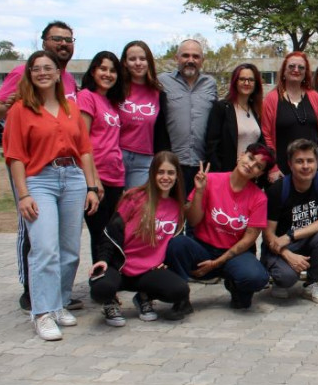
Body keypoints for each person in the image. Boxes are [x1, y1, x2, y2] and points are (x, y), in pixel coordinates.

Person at [3, 50, 100, 341]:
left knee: (69, 249)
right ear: (29, 74)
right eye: (37, 69)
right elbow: (15, 156)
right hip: (40, 179)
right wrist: (23, 195)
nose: (43, 73)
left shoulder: (69, 107)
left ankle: (58, 303)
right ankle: (42, 313)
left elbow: (84, 149)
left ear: (58, 74)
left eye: (49, 68)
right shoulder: (20, 109)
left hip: (72, 178)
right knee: (45, 248)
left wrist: (92, 186)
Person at [0, 21, 80, 313]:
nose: (63, 44)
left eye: (68, 40)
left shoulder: (67, 81)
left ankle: (57, 301)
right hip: (32, 167)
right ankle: (33, 295)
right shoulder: (24, 72)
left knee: (66, 246)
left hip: (67, 169)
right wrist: (19, 105)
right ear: (44, 42)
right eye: (57, 39)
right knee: (35, 235)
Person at [165, 144, 275, 310]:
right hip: (203, 250)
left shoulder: (259, 198)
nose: (251, 165)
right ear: (241, 156)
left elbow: (249, 239)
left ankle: (235, 285)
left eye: (258, 166)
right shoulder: (211, 180)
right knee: (177, 244)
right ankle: (181, 298)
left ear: (259, 173)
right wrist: (200, 191)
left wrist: (217, 263)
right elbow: (193, 221)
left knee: (256, 279)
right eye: (250, 158)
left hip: (234, 254)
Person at [89, 152, 191, 326]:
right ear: (152, 174)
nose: (165, 177)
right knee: (100, 289)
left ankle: (144, 296)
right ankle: (110, 302)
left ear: (177, 176)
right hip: (121, 267)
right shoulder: (134, 197)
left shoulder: (177, 207)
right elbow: (111, 232)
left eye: (170, 173)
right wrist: (103, 260)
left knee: (180, 290)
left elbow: (175, 243)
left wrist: (167, 263)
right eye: (160, 172)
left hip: (148, 271)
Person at [262, 139, 318, 305]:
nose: (306, 166)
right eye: (299, 161)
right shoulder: (277, 190)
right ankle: (278, 279)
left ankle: (311, 283)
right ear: (290, 165)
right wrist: (287, 254)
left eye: (310, 161)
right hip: (280, 247)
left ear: (317, 163)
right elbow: (267, 234)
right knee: (287, 278)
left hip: (301, 240)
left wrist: (290, 235)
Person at [77, 50, 126, 261]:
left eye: (113, 70)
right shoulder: (86, 97)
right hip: (98, 178)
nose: (108, 74)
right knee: (99, 235)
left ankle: (110, 280)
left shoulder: (112, 104)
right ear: (93, 71)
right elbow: (82, 140)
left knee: (112, 233)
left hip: (116, 177)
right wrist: (93, 180)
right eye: (103, 69)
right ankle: (100, 283)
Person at [262, 51, 318, 180]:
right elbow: (266, 136)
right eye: (291, 66)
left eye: (301, 68)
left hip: (312, 169)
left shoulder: (315, 97)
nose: (296, 70)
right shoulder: (271, 99)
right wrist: (273, 167)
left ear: (306, 73)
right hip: (282, 171)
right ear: (283, 71)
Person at [158, 39, 217, 193]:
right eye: (185, 55)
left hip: (202, 165)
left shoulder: (210, 83)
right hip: (171, 165)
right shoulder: (162, 82)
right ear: (176, 58)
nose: (190, 60)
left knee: (197, 213)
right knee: (170, 211)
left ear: (202, 61)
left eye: (196, 56)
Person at [118, 40, 165, 188]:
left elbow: (162, 130)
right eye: (132, 59)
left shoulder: (158, 93)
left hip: (144, 160)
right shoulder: (116, 89)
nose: (138, 63)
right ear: (125, 63)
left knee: (136, 207)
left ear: (149, 62)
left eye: (142, 59)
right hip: (118, 155)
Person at [204, 63, 264, 173]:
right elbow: (211, 146)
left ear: (256, 84)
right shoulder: (222, 108)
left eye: (251, 80)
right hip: (227, 173)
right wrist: (218, 174)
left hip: (249, 174)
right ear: (235, 82)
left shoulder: (256, 111)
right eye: (242, 79)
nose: (246, 83)